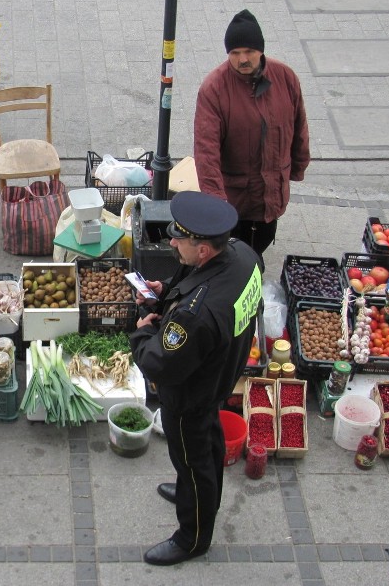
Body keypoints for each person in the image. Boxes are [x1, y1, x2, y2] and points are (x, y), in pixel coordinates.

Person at [128, 191, 263, 566]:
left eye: (178, 239)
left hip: (190, 395)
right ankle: (196, 490)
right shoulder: (243, 255)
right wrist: (165, 294)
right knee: (208, 443)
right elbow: (200, 283)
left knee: (193, 458)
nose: (170, 242)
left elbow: (159, 364)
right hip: (222, 373)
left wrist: (141, 332)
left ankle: (193, 537)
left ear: (203, 249)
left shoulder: (194, 317)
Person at [193, 8, 310, 266]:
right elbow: (206, 150)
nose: (242, 59)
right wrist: (215, 202)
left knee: (261, 244)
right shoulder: (214, 89)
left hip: (271, 196)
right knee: (232, 258)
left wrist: (298, 166)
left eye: (248, 52)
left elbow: (299, 125)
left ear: (261, 50)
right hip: (235, 200)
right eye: (234, 53)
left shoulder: (286, 78)